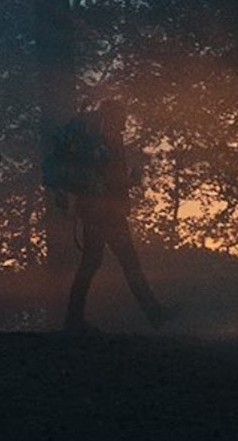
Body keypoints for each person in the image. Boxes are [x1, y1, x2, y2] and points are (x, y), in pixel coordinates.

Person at [59, 99, 168, 334]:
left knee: (95, 264)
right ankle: (155, 315)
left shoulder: (99, 140)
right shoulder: (105, 142)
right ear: (112, 115)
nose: (125, 120)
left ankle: (74, 318)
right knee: (125, 263)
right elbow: (108, 179)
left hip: (99, 212)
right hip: (105, 214)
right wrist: (131, 181)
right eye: (122, 115)